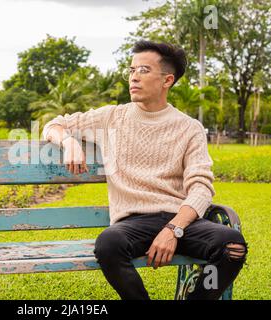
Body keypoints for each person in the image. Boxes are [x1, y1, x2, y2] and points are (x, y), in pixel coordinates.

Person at [42, 40, 247, 300]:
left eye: (143, 70)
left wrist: (174, 229)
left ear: (167, 80)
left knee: (232, 245)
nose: (134, 77)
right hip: (132, 223)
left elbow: (201, 187)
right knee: (108, 243)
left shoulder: (189, 127)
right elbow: (53, 124)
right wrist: (69, 141)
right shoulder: (111, 118)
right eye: (131, 70)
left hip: (182, 220)